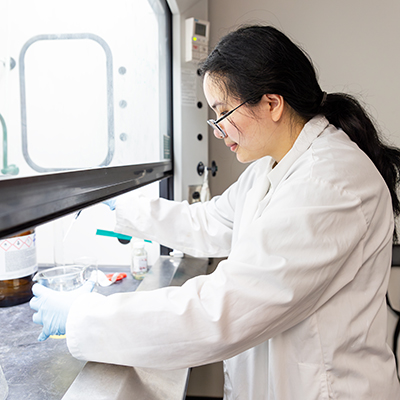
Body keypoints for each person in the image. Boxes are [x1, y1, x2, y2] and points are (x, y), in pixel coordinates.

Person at [30, 25, 400, 399]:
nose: (219, 131)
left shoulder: (330, 183)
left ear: (272, 104)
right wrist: (123, 206)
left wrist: (85, 316)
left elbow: (221, 311)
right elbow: (209, 221)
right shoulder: (270, 168)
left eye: (224, 112)